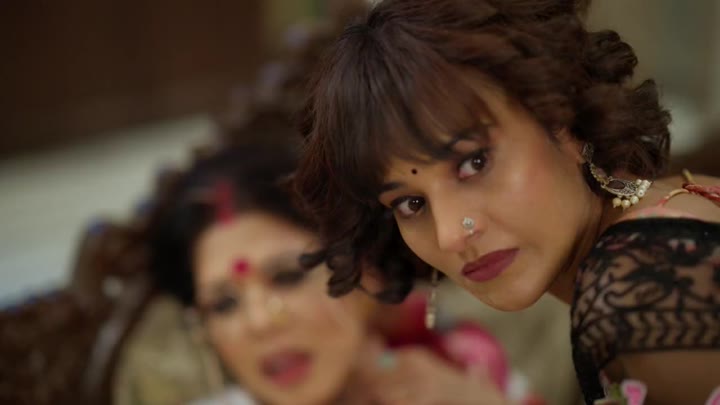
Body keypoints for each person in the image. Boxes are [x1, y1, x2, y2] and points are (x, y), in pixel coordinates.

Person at [292, 0, 720, 403]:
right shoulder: (681, 198)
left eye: (474, 163)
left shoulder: (639, 289)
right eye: (410, 204)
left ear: (563, 118)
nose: (451, 234)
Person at [136, 135, 532, 405]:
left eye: (287, 276)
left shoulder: (463, 372)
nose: (260, 322)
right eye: (223, 304)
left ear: (366, 268)